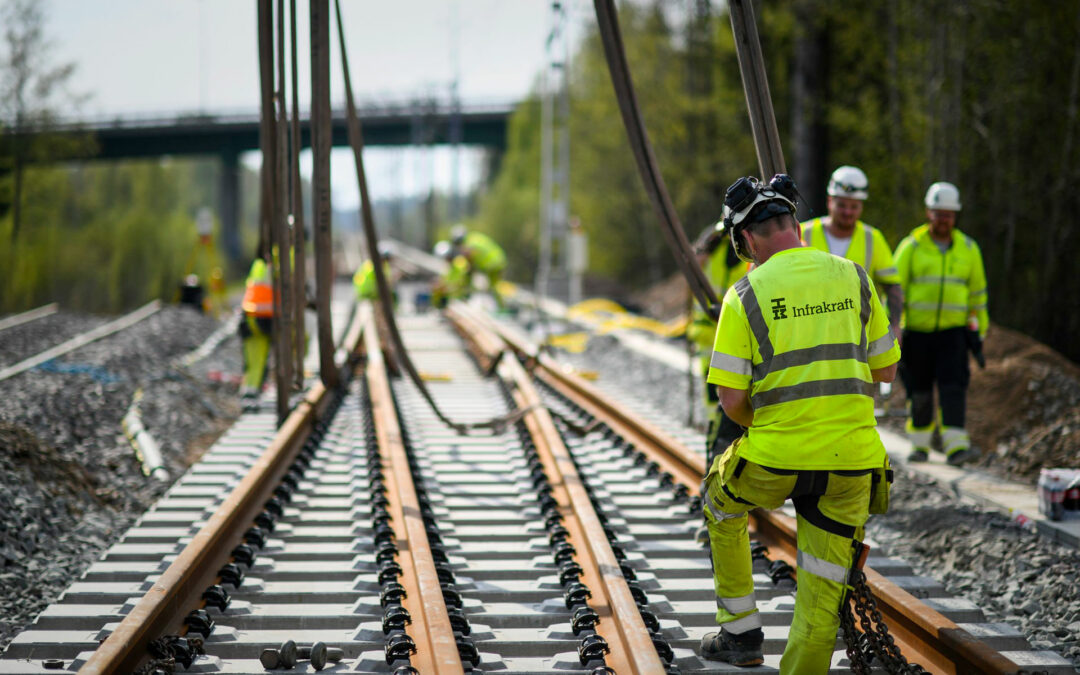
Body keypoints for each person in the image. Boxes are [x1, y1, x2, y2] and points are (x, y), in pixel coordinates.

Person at [701, 173, 899, 671]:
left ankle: (740, 632)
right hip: (851, 464)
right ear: (797, 225)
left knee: (720, 504)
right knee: (821, 590)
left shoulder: (743, 294)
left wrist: (767, 426)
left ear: (745, 239)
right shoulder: (855, 275)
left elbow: (731, 402)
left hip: (774, 458)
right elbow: (887, 370)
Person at [894, 182, 987, 466]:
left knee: (953, 388)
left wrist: (979, 332)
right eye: (938, 214)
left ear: (955, 216)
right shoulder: (911, 247)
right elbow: (895, 292)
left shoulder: (969, 249)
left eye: (949, 214)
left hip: (954, 335)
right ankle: (919, 446)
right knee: (919, 390)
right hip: (917, 334)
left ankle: (956, 448)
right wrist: (891, 330)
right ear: (928, 213)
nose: (943, 219)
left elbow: (978, 295)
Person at [686, 222, 749, 542]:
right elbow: (692, 268)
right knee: (719, 424)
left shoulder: (750, 254)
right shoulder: (715, 252)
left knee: (731, 426)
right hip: (710, 350)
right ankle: (716, 496)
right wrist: (707, 242)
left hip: (739, 352)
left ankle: (729, 494)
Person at [801, 166, 903, 340]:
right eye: (841, 205)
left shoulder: (873, 238)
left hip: (860, 334)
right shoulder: (804, 233)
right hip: (811, 332)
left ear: (861, 206)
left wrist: (895, 325)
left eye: (854, 206)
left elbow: (892, 286)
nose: (847, 212)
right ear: (829, 201)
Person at [238, 254, 274, 405]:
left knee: (251, 362)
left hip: (249, 318)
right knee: (258, 360)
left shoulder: (257, 265)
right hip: (263, 319)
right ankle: (250, 394)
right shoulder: (272, 268)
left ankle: (248, 392)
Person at [451, 224, 507, 308]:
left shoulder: (468, 242)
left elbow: (469, 256)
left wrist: (470, 270)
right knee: (495, 286)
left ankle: (502, 307)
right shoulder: (474, 236)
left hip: (491, 264)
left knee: (494, 287)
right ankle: (501, 307)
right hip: (498, 259)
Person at [431, 240, 471, 309]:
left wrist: (447, 288)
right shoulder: (449, 268)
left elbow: (462, 283)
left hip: (462, 299)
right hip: (453, 300)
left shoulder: (460, 263)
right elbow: (446, 280)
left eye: (447, 258)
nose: (446, 260)